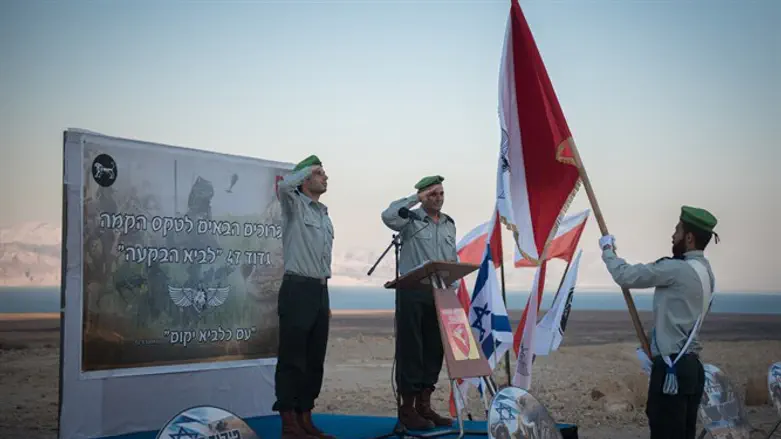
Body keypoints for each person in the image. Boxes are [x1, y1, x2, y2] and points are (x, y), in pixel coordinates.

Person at [599, 205, 719, 439]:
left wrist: (607, 250)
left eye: (677, 230)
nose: (673, 236)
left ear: (689, 237)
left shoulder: (676, 269)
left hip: (671, 370)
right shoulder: (707, 272)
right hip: (692, 368)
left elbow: (625, 275)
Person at [380, 175, 458, 431]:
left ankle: (425, 405)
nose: (438, 198)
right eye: (432, 194)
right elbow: (388, 216)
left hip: (440, 293)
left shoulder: (448, 224)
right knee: (412, 349)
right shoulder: (410, 221)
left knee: (434, 350)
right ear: (423, 196)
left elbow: (451, 259)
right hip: (413, 292)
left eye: (441, 194)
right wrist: (415, 199)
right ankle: (408, 408)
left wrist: (453, 290)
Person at [273, 154, 336, 439]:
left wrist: (325, 297)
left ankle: (305, 417)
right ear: (306, 178)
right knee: (292, 359)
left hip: (320, 291)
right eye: (320, 173)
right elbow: (285, 186)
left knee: (314, 360)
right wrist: (306, 168)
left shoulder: (324, 214)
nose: (325, 177)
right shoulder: (294, 205)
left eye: (324, 173)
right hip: (297, 289)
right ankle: (289, 423)